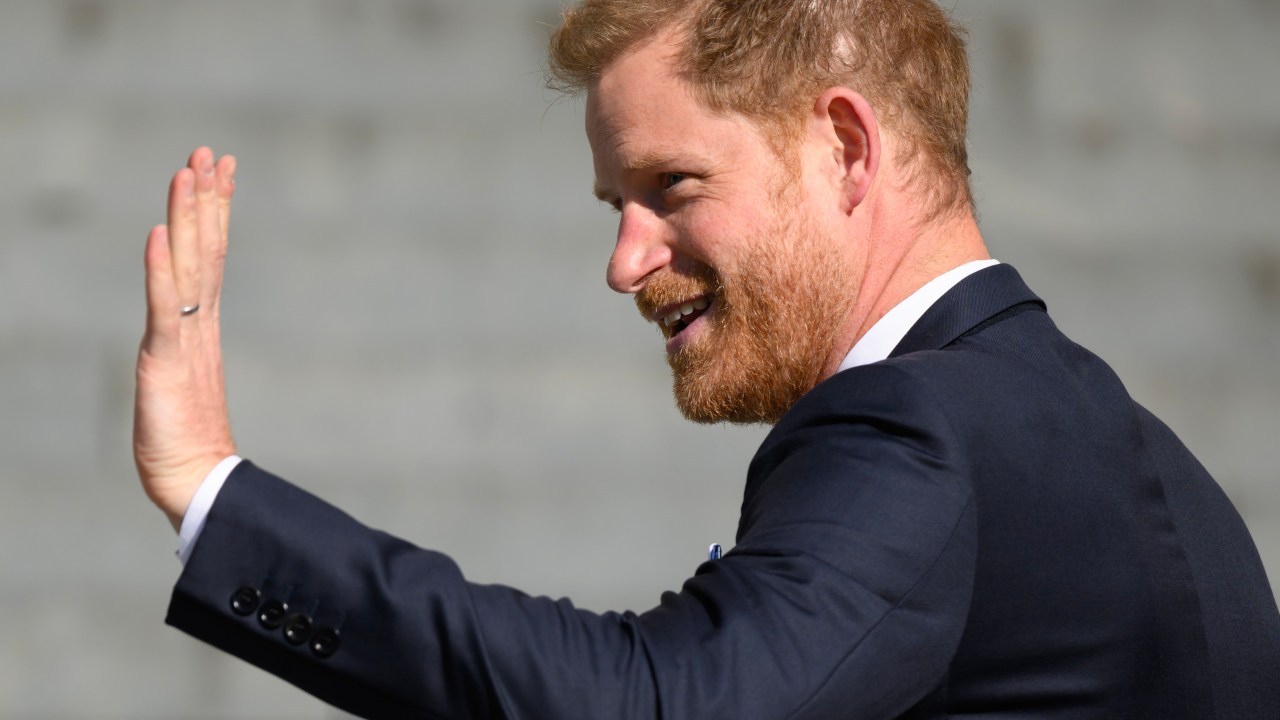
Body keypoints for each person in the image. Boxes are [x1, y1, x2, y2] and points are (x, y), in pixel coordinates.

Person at [134, 0, 1280, 718]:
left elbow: (658, 704)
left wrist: (213, 491)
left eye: (670, 186)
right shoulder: (1136, 457)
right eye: (613, 203)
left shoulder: (916, 432)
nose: (625, 262)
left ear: (843, 147)